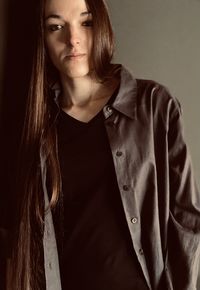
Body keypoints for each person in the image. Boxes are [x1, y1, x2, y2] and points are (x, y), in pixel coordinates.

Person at [6, 0, 200, 289]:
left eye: (86, 22)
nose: (73, 39)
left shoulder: (155, 105)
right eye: (55, 26)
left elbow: (187, 221)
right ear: (42, 38)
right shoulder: (36, 126)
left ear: (102, 25)